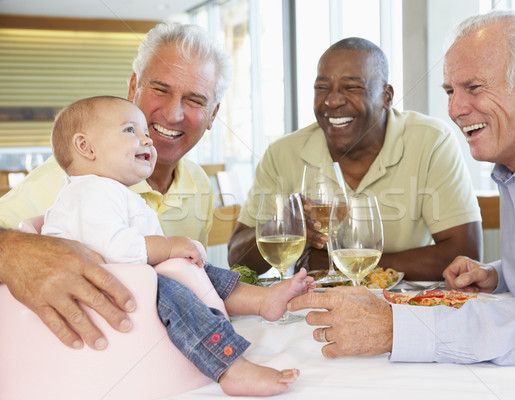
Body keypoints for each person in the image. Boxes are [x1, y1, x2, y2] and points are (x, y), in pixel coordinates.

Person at [288, 10, 515, 399]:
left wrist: (396, 327)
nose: (454, 109)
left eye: (473, 87)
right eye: (451, 91)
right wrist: (498, 275)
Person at [42, 95, 316, 396]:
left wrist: (175, 255)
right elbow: (114, 251)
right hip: (96, 296)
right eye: (130, 131)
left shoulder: (111, 191)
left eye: (145, 131)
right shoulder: (92, 192)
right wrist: (169, 247)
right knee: (172, 290)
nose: (147, 140)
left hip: (122, 282)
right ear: (85, 147)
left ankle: (260, 301)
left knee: (198, 269)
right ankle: (230, 367)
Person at [0, 23, 231, 351]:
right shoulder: (69, 181)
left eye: (195, 100)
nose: (173, 113)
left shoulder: (199, 183)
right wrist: (13, 252)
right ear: (133, 86)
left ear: (212, 116)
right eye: (160, 89)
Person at [228, 37, 482, 281]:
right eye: (322, 88)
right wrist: (285, 229)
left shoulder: (431, 140)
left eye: (352, 87)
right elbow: (237, 260)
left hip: (404, 308)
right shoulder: (282, 153)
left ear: (387, 97)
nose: (333, 100)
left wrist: (341, 264)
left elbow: (464, 256)